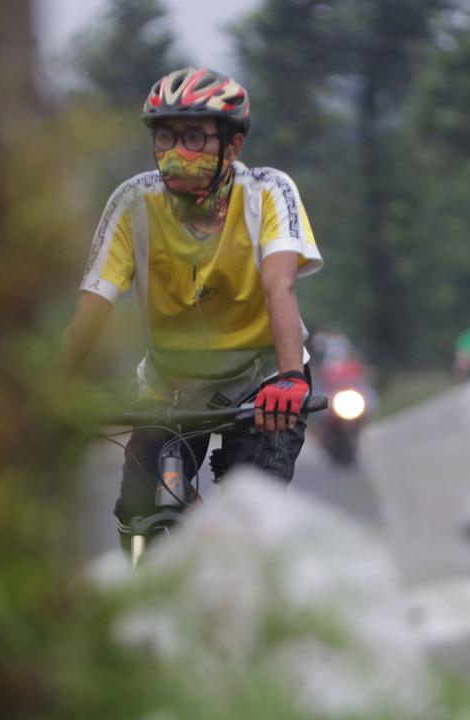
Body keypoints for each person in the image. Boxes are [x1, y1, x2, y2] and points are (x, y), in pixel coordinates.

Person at [57, 67, 323, 551]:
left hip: (262, 385)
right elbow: (92, 307)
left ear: (233, 147)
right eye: (166, 136)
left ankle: (250, 611)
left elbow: (279, 285)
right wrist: (48, 389)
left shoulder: (268, 192)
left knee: (252, 519)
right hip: (170, 388)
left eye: (196, 137)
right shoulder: (133, 202)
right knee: (138, 512)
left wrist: (291, 380)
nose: (179, 152)